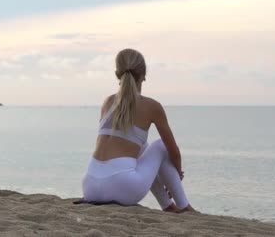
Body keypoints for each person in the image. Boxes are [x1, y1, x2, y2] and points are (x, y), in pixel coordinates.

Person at [81, 48, 196, 213]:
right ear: (144, 75)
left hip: (90, 188)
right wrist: (177, 176)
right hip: (123, 188)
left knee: (143, 147)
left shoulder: (108, 102)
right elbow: (173, 151)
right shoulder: (151, 106)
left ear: (117, 74)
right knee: (160, 145)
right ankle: (184, 206)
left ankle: (168, 206)